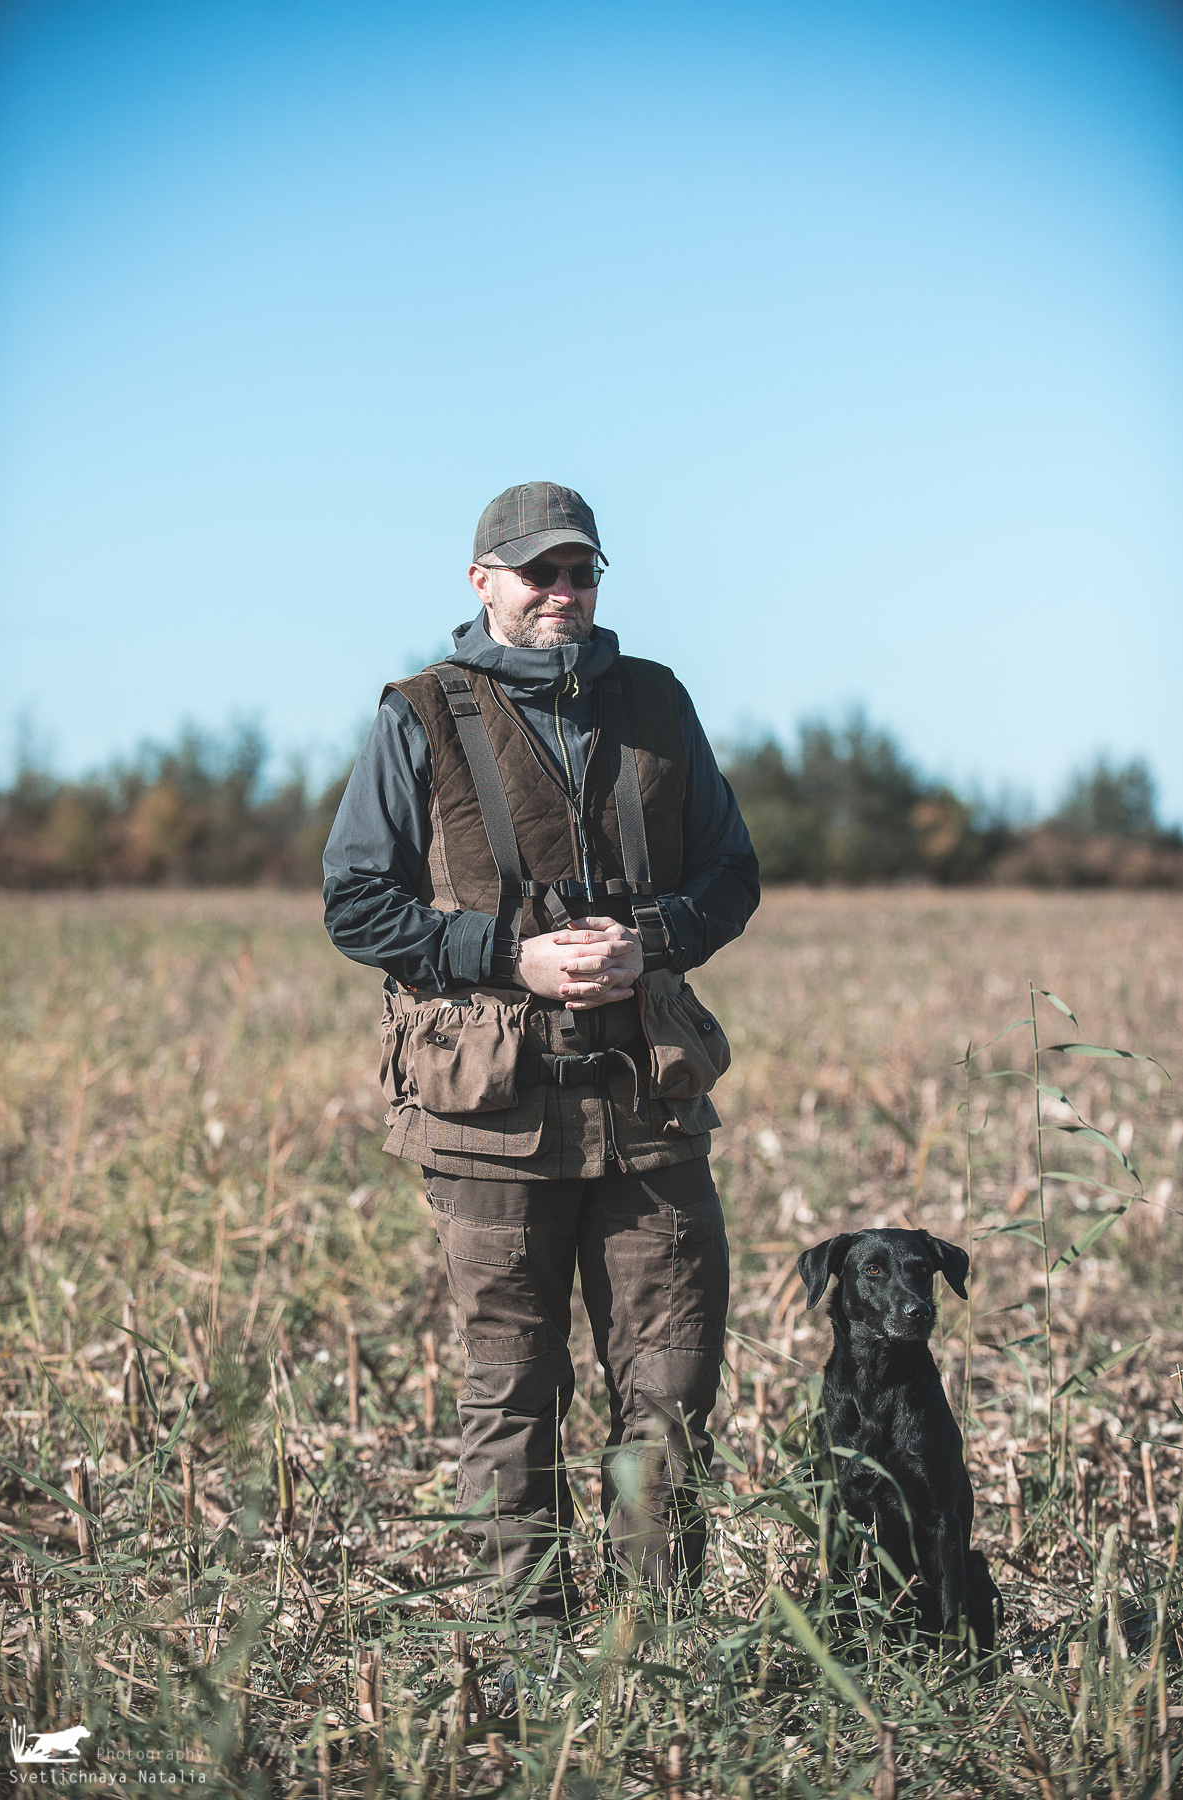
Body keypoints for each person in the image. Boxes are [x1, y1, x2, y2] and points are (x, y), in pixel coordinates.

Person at [323, 481, 759, 1631]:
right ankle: (528, 1646)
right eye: (539, 574)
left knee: (669, 1387)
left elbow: (731, 875)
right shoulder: (418, 713)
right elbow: (356, 904)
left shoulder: (657, 704)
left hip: (648, 1105)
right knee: (513, 1394)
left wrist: (652, 939)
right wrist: (508, 957)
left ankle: (654, 1644)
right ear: (483, 585)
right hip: (491, 1117)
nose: (564, 593)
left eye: (582, 573)